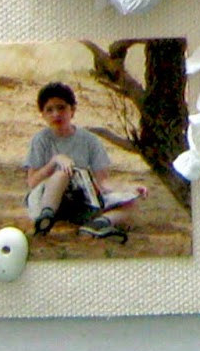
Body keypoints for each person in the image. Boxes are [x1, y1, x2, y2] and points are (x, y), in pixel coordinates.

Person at [23, 82, 140, 240]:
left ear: (72, 110)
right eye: (49, 110)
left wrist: (129, 189)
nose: (56, 114)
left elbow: (103, 182)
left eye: (61, 108)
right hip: (46, 199)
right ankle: (46, 218)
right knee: (62, 174)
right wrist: (54, 162)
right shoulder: (40, 140)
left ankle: (96, 226)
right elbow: (32, 182)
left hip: (80, 200)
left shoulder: (89, 140)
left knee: (131, 203)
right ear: (42, 114)